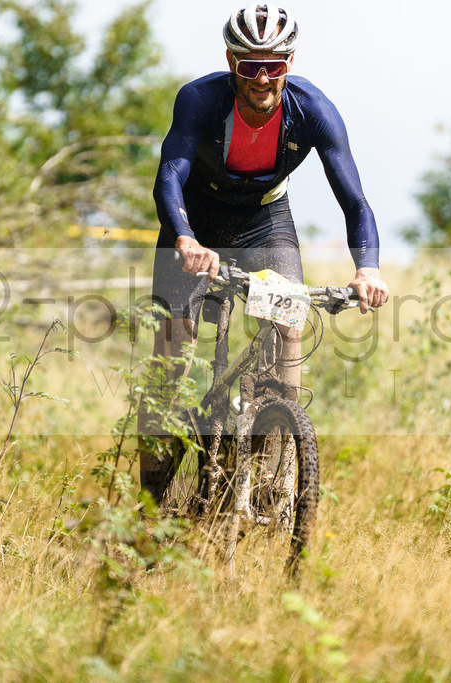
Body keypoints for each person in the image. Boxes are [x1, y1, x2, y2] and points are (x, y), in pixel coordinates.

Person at [140, 3, 389, 503]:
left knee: (289, 323)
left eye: (273, 65)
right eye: (250, 65)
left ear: (289, 63)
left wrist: (368, 269)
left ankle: (273, 468)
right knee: (174, 352)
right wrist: (185, 238)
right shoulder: (200, 99)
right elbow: (169, 176)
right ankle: (148, 498)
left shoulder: (314, 110)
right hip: (196, 223)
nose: (261, 78)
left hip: (264, 223)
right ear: (231, 61)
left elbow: (355, 202)